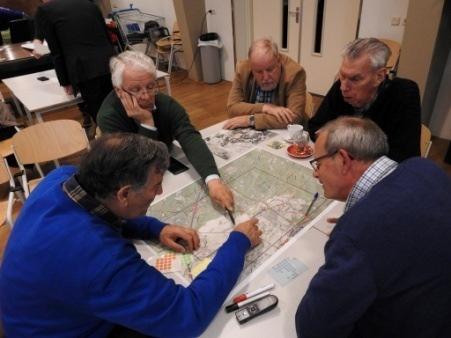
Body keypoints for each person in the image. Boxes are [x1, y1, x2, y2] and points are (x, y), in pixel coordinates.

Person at [0, 133, 262, 337]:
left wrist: (154, 228)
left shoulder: (61, 178)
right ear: (124, 194)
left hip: (31, 312)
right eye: (156, 186)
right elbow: (187, 315)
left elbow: (99, 213)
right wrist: (238, 242)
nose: (159, 193)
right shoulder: (101, 259)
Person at [296, 117, 451, 338]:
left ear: (343, 159)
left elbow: (312, 328)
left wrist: (358, 226)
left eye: (318, 163)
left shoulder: (358, 233)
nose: (315, 173)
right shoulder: (423, 166)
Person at [97, 50, 234, 211]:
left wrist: (213, 181)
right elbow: (134, 165)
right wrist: (147, 123)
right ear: (119, 90)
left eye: (150, 86)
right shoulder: (108, 116)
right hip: (137, 182)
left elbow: (189, 136)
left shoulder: (166, 104)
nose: (146, 96)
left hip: (165, 171)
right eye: (135, 89)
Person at [308, 38, 421, 162]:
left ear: (379, 76)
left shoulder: (403, 93)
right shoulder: (341, 87)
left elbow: (402, 157)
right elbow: (315, 127)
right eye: (342, 75)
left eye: (355, 79)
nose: (343, 87)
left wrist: (334, 139)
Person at [33, 0, 115, 125]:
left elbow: (56, 50)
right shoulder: (89, 4)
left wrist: (65, 81)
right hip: (111, 63)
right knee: (118, 107)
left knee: (101, 116)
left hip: (84, 69)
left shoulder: (45, 10)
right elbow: (106, 36)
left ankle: (109, 140)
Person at [223, 38, 307, 130]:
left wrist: (251, 120)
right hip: (254, 133)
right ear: (251, 67)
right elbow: (232, 108)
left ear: (279, 62)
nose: (266, 77)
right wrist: (265, 107)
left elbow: (294, 118)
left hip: (284, 132)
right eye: (259, 72)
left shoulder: (295, 73)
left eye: (270, 70)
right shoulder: (242, 69)